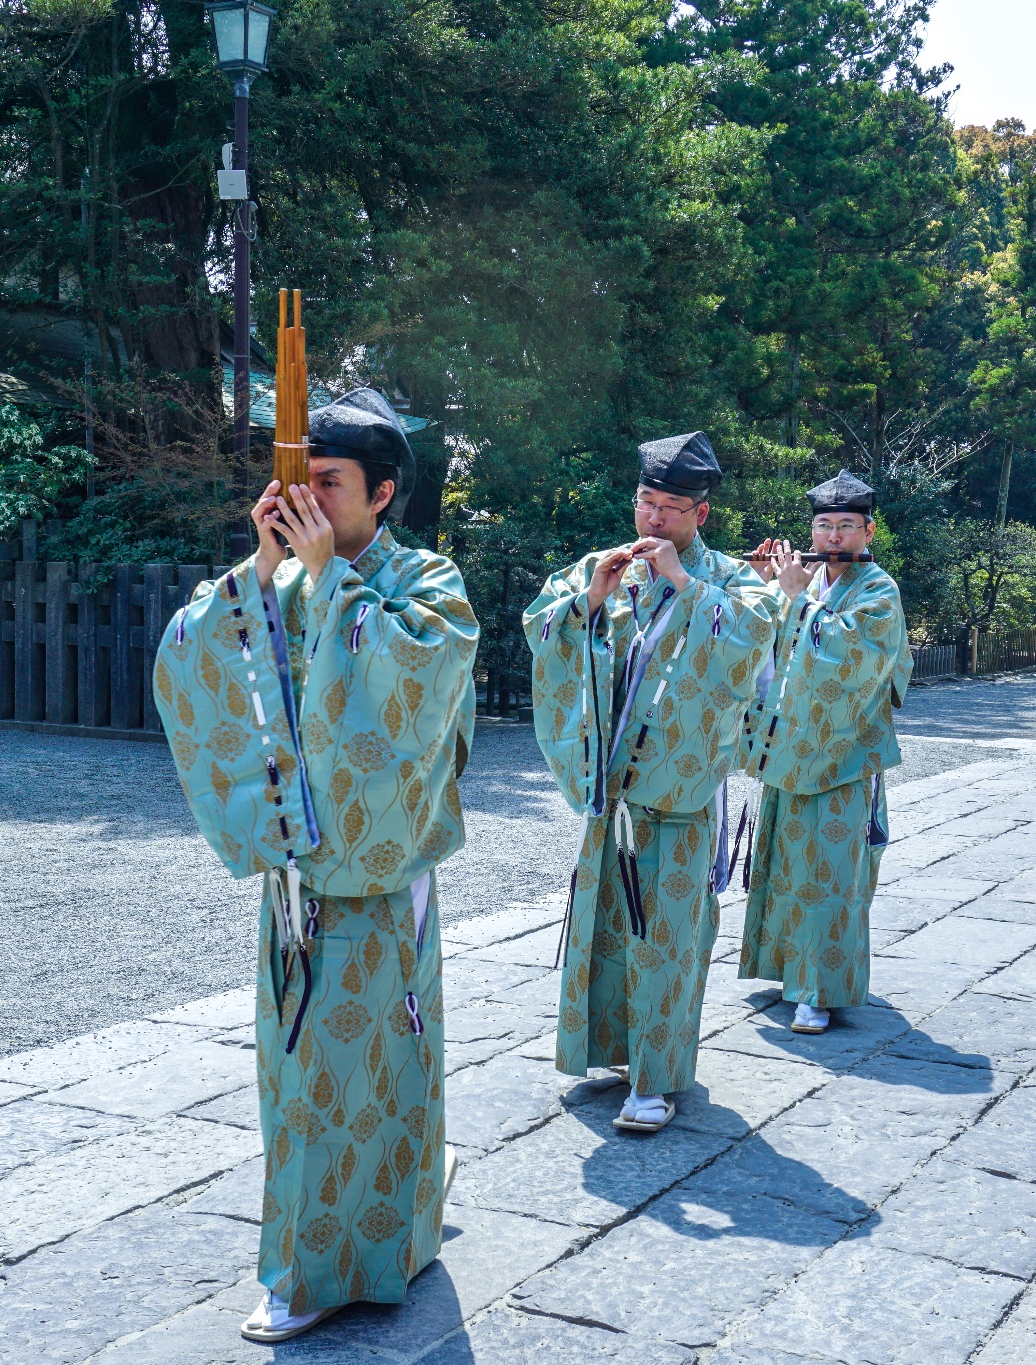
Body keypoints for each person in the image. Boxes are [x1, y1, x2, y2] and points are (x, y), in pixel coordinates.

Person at [154, 389, 477, 1343]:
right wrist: (262, 563)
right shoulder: (281, 579)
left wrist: (331, 580)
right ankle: (340, 1242)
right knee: (300, 1071)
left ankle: (328, 1268)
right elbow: (191, 657)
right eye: (294, 481)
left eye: (326, 482)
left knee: (370, 1064)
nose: (303, 500)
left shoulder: (429, 580)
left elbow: (414, 694)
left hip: (374, 872)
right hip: (296, 873)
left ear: (381, 493)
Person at [525, 432, 774, 1134]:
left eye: (671, 508)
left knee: (666, 936)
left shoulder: (730, 580)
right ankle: (611, 1050)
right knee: (607, 925)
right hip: (613, 789)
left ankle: (656, 1079)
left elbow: (756, 640)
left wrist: (687, 587)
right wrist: (590, 600)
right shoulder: (608, 566)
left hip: (680, 793)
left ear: (702, 514)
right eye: (645, 502)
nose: (654, 520)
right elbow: (542, 627)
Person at [737, 471, 907, 1035]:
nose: (833, 538)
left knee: (832, 873)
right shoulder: (806, 583)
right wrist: (768, 588)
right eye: (823, 525)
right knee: (787, 865)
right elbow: (769, 647)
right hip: (791, 747)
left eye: (845, 527)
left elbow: (854, 657)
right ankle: (789, 973)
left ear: (868, 531)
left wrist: (792, 599)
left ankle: (819, 989)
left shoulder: (879, 589)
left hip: (844, 752)